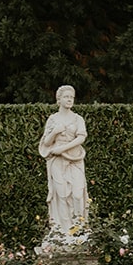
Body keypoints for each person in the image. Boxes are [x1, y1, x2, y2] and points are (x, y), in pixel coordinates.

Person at [38, 84, 88, 236]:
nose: (69, 100)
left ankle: (79, 229)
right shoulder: (52, 119)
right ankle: (64, 232)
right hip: (57, 162)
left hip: (74, 158)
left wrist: (63, 148)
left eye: (71, 97)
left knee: (78, 194)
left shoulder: (77, 118)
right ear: (58, 99)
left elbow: (81, 137)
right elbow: (46, 142)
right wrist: (54, 132)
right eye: (66, 97)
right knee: (62, 194)